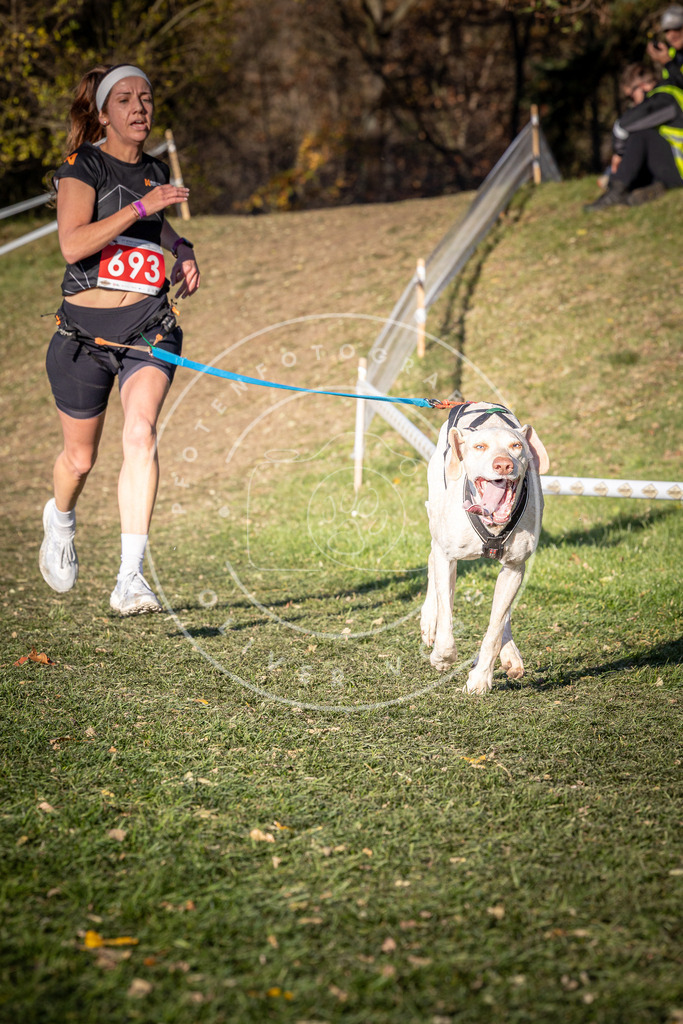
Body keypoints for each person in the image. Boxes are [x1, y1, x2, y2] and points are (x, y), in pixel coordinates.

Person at [40, 63, 200, 614]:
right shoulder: (82, 166)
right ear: (104, 114)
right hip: (82, 336)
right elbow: (73, 244)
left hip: (147, 327)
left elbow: (155, 227)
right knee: (79, 460)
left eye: (146, 98)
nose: (139, 108)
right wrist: (141, 206)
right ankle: (61, 520)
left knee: (141, 432)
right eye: (125, 99)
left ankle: (130, 578)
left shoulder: (155, 170)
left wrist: (181, 249)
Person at [584, 65, 683, 210]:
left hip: (679, 171)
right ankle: (646, 189)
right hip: (671, 168)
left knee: (641, 134)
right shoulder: (662, 96)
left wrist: (618, 153)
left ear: (642, 86)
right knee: (641, 135)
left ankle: (616, 192)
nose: (632, 103)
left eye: (631, 96)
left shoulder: (665, 98)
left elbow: (624, 125)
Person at [646, 4, 683, 89]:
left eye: (676, 28)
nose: (671, 35)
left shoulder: (667, 59)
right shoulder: (671, 53)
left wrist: (668, 63)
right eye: (667, 31)